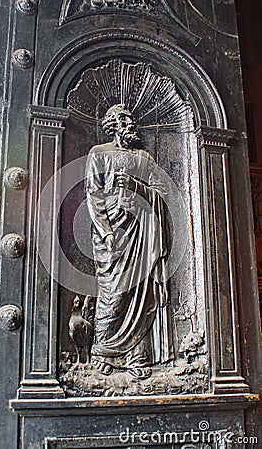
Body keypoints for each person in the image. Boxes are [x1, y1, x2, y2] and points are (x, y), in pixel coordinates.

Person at [85, 104, 172, 379]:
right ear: (112, 125)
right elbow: (93, 194)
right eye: (123, 119)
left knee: (140, 292)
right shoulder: (99, 153)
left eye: (131, 119)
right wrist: (106, 231)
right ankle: (103, 350)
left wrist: (136, 186)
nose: (129, 123)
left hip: (141, 231)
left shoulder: (144, 157)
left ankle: (136, 354)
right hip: (112, 231)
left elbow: (162, 193)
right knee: (113, 292)